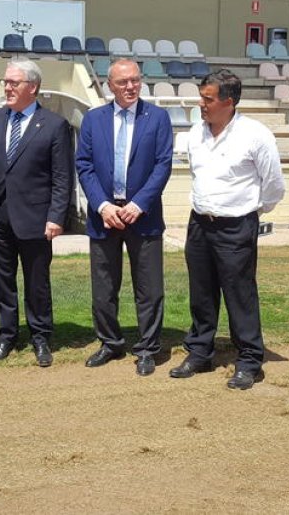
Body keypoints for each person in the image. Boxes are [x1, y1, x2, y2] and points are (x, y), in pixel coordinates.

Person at [169, 69, 285, 390]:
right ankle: (199, 353)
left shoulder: (256, 135)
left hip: (237, 226)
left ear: (228, 102)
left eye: (208, 99)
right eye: (201, 98)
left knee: (240, 295)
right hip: (199, 224)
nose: (201, 105)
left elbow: (273, 185)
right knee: (201, 293)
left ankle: (249, 361)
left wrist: (251, 211)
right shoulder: (195, 133)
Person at [75, 59, 173, 377]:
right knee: (103, 287)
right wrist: (103, 205)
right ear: (109, 85)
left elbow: (162, 165)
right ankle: (110, 342)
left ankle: (147, 348)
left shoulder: (157, 118)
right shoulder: (93, 119)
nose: (130, 87)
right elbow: (84, 165)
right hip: (104, 215)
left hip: (142, 217)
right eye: (123, 82)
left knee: (149, 288)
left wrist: (139, 203)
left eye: (135, 80)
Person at [0, 59, 73, 367]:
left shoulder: (54, 125)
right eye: (5, 82)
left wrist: (56, 216)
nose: (7, 87)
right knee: (3, 279)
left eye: (13, 82)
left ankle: (40, 336)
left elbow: (62, 176)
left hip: (36, 218)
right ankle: (7, 335)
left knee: (37, 280)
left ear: (32, 87)